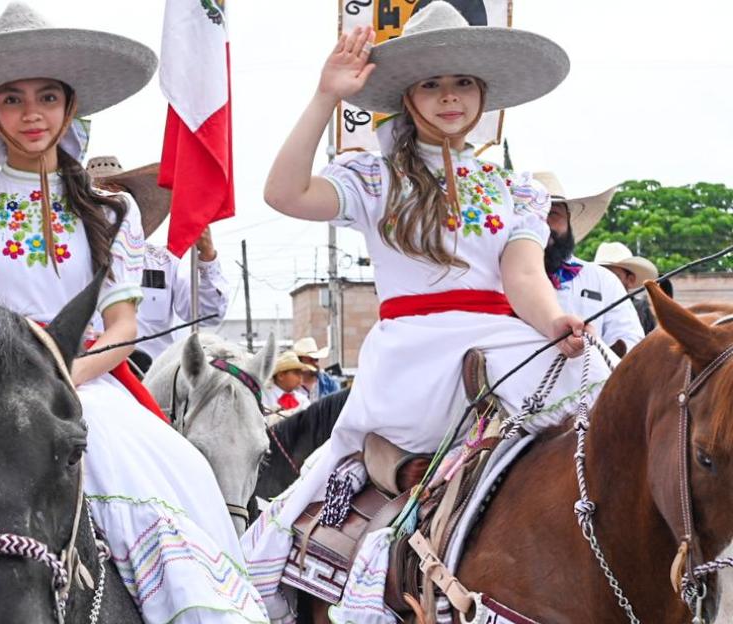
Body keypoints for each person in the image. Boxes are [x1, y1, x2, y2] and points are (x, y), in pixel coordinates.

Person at [0, 3, 266, 622]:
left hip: (85, 389)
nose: (32, 113)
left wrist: (58, 377)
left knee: (185, 484)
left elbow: (123, 328)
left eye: (47, 97)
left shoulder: (112, 209)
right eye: (12, 99)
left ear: (71, 107)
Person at [245, 4, 611, 619]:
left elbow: (524, 275)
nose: (449, 97)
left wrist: (555, 323)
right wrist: (324, 97)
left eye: (462, 82)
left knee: (604, 390)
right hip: (415, 352)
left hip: (503, 340)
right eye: (431, 84)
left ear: (483, 94)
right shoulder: (374, 176)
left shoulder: (514, 189)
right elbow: (284, 193)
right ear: (408, 96)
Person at [86, 156, 230, 372]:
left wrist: (207, 257)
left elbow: (208, 313)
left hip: (151, 379)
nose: (108, 209)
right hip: (84, 376)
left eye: (116, 199)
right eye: (98, 201)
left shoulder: (163, 262)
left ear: (132, 208)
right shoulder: (65, 259)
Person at [535, 172, 642, 355]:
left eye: (553, 213)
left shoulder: (604, 280)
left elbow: (630, 340)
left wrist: (596, 351)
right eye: (533, 213)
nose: (543, 223)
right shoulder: (497, 279)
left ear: (569, 220)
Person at [594, 241, 660, 334]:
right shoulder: (587, 305)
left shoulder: (642, 310)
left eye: (613, 277)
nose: (605, 282)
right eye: (600, 276)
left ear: (630, 280)